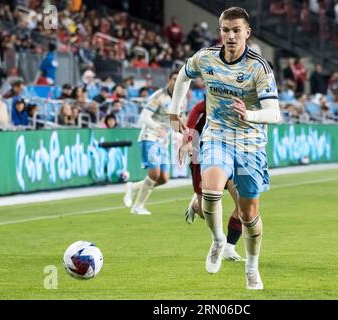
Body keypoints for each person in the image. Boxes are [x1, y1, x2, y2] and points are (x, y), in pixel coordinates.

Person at [168, 7, 282, 290]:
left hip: (250, 144)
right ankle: (218, 240)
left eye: (236, 30)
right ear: (220, 31)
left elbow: (274, 113)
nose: (230, 36)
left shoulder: (259, 67)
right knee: (211, 189)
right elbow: (183, 75)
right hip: (217, 136)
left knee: (248, 215)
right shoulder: (206, 58)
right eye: (225, 30)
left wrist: (251, 115)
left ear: (247, 33)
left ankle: (252, 267)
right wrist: (174, 110)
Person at [180, 99, 244, 261]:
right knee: (205, 212)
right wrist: (188, 140)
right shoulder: (214, 96)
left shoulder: (245, 98)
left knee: (244, 204)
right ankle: (196, 205)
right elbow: (195, 111)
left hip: (232, 154)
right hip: (203, 154)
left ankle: (229, 248)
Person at [123, 71, 182, 215]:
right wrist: (156, 127)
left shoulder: (181, 98)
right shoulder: (159, 96)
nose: (176, 82)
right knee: (154, 174)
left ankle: (133, 187)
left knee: (163, 179)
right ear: (169, 80)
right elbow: (144, 115)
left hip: (163, 140)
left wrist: (181, 133)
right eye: (174, 79)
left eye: (179, 79)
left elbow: (174, 119)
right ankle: (138, 207)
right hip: (150, 136)